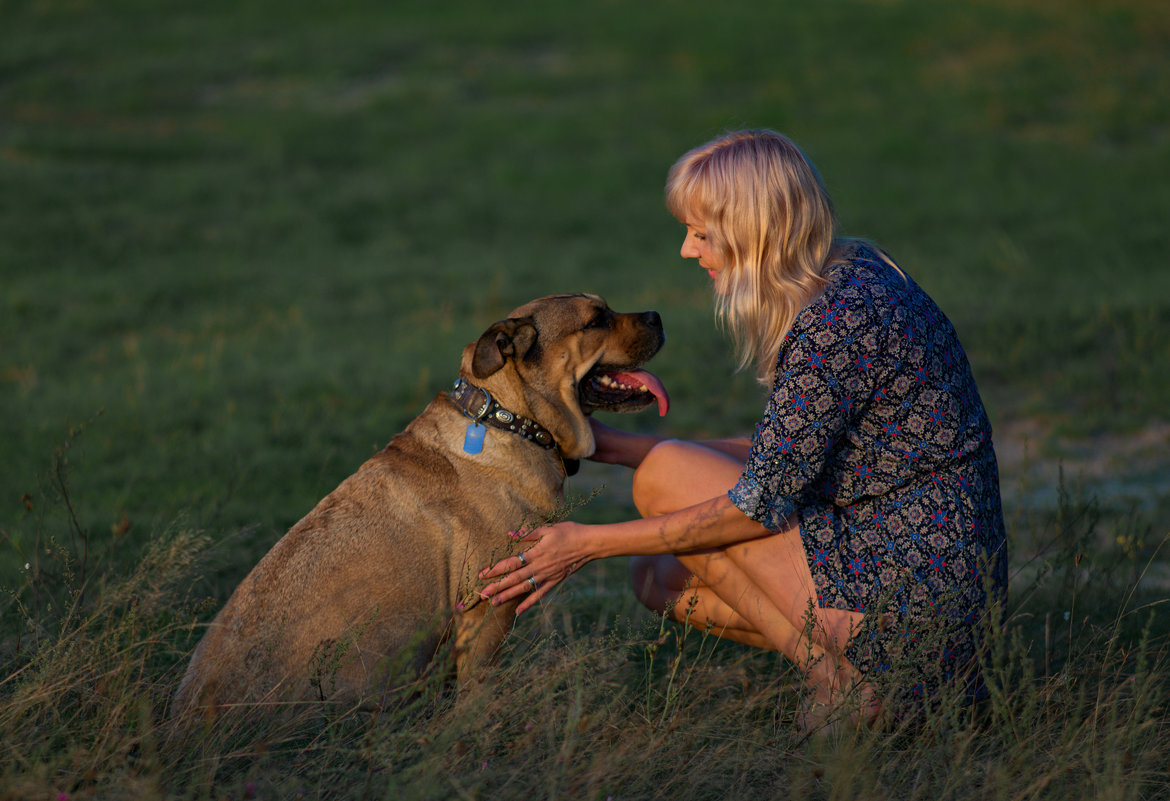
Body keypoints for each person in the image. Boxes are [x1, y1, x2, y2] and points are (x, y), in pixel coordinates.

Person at [477, 129, 1008, 730]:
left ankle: (847, 686)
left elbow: (755, 507)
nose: (685, 249)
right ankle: (864, 683)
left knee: (665, 479)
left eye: (701, 233)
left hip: (913, 610)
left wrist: (586, 543)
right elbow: (782, 457)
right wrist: (605, 446)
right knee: (657, 576)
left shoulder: (833, 327)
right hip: (935, 592)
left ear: (755, 232)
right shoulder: (860, 273)